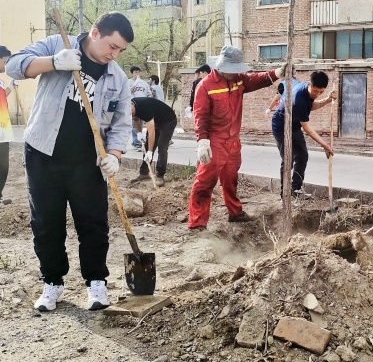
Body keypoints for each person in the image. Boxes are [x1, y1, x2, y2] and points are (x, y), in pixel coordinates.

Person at [5, 11, 134, 312]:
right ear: (95, 33)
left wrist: (114, 155)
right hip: (43, 154)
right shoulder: (56, 45)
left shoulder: (117, 77)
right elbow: (13, 66)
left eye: (121, 51)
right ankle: (52, 283)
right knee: (46, 224)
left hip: (88, 162)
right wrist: (54, 62)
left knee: (93, 223)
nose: (114, 55)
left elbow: (122, 123)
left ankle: (96, 283)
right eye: (112, 46)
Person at [188, 46, 284, 228]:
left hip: (233, 142)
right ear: (221, 66)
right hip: (214, 142)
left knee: (231, 180)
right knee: (204, 183)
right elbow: (200, 115)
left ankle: (235, 212)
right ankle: (197, 223)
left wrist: (277, 73)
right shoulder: (205, 86)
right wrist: (202, 140)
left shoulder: (239, 80)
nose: (235, 73)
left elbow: (257, 79)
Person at [271, 71, 335, 198]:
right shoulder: (299, 96)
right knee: (288, 159)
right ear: (309, 84)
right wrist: (325, 145)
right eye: (316, 91)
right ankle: (285, 193)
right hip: (281, 125)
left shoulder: (307, 90)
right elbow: (307, 129)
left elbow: (310, 106)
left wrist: (327, 100)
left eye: (321, 92)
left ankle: (296, 190)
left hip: (294, 125)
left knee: (302, 155)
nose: (317, 94)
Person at [130, 96, 177, 187]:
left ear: (133, 107)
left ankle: (160, 175)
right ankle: (144, 173)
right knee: (147, 145)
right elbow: (135, 119)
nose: (131, 115)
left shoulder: (145, 109)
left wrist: (150, 152)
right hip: (156, 120)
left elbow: (152, 133)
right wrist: (139, 133)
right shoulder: (131, 105)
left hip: (168, 121)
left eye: (131, 113)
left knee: (162, 146)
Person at [0, 45, 16, 205]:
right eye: (5, 61)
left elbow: (3, 95)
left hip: (3, 129)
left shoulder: (0, 80)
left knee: (3, 166)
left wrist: (12, 84)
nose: (6, 65)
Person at [128, 66, 149, 150]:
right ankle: (137, 143)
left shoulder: (144, 83)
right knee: (134, 123)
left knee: (140, 124)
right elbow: (127, 92)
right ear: (132, 73)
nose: (137, 74)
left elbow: (148, 93)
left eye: (138, 72)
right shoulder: (129, 82)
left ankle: (136, 141)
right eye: (135, 72)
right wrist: (135, 83)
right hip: (132, 104)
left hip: (142, 104)